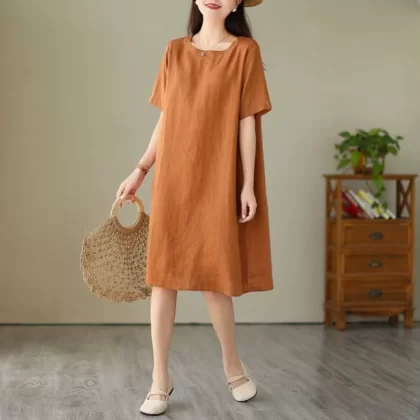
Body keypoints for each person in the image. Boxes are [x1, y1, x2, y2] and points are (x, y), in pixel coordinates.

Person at [116, 0, 273, 416]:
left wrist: (247, 185)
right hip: (174, 178)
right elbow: (166, 119)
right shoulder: (174, 50)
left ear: (237, 2)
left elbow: (247, 121)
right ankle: (159, 379)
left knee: (215, 278)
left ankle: (233, 367)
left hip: (218, 177)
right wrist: (140, 169)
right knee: (163, 278)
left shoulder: (245, 52)